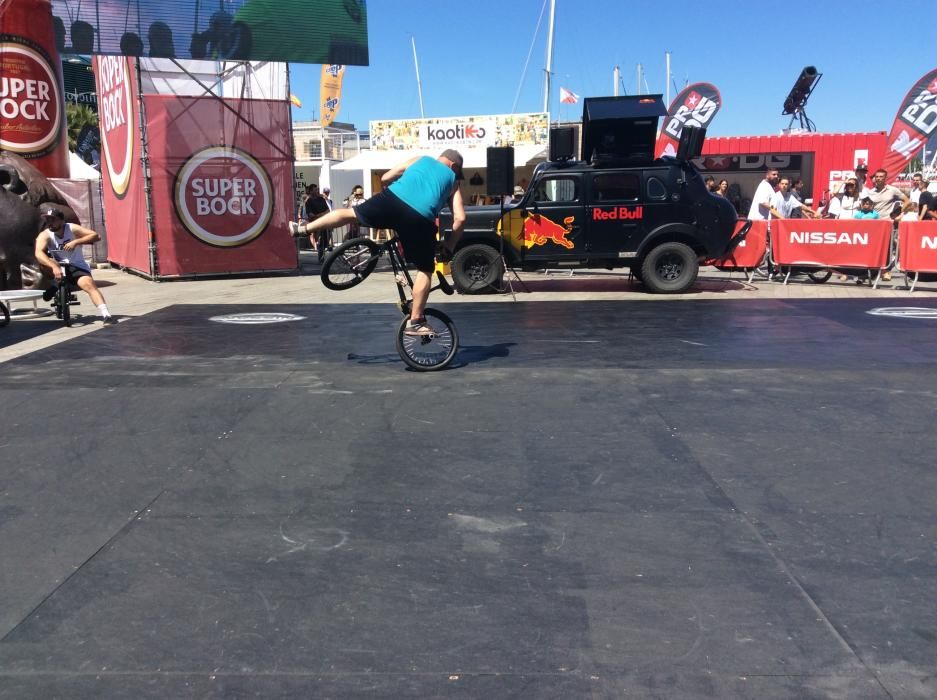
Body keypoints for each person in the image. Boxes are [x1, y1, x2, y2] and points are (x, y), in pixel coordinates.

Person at [290, 149, 466, 336]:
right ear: (453, 166)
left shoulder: (420, 159)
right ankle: (415, 321)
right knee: (425, 270)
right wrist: (449, 246)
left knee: (350, 214)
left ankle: (302, 229)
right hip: (419, 217)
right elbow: (461, 218)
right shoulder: (453, 179)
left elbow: (386, 177)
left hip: (392, 198)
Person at [34, 207, 116, 325]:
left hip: (76, 265)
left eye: (53, 219)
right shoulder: (45, 234)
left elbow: (96, 236)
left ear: (62, 221)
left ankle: (106, 315)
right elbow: (38, 252)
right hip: (58, 265)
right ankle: (56, 285)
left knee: (88, 285)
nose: (50, 223)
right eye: (48, 220)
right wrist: (54, 267)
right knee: (43, 261)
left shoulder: (71, 228)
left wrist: (76, 242)